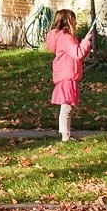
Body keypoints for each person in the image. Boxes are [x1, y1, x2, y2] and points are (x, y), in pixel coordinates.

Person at [44, 9, 94, 142]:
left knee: (67, 106)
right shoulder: (65, 38)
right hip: (67, 75)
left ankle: (66, 134)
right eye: (74, 19)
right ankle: (65, 136)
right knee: (66, 106)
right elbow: (77, 53)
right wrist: (86, 41)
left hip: (65, 74)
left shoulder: (60, 37)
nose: (76, 22)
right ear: (69, 21)